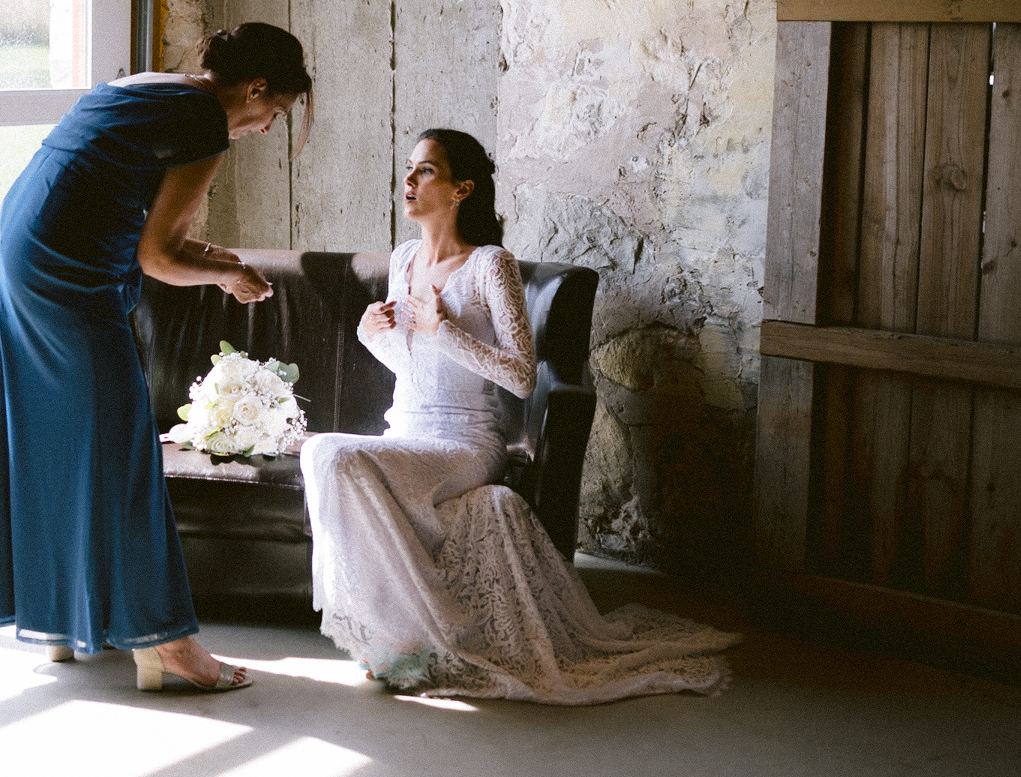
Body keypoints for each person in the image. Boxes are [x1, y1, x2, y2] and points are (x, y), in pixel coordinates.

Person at [300, 128, 740, 703]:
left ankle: (430, 635)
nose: (408, 181)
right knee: (331, 459)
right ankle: (402, 637)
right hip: (406, 429)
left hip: (466, 443)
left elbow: (520, 375)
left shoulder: (491, 265)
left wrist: (445, 329)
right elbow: (415, 367)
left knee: (326, 452)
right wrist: (371, 335)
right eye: (409, 168)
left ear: (463, 188)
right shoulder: (404, 258)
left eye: (425, 171)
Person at [0, 23, 313, 692]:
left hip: (22, 251)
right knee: (122, 450)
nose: (268, 128)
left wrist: (210, 258)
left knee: (59, 443)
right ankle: (171, 645)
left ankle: (68, 619)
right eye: (274, 112)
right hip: (67, 276)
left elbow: (119, 206)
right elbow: (158, 257)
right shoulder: (205, 122)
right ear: (254, 88)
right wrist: (227, 277)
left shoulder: (152, 84)